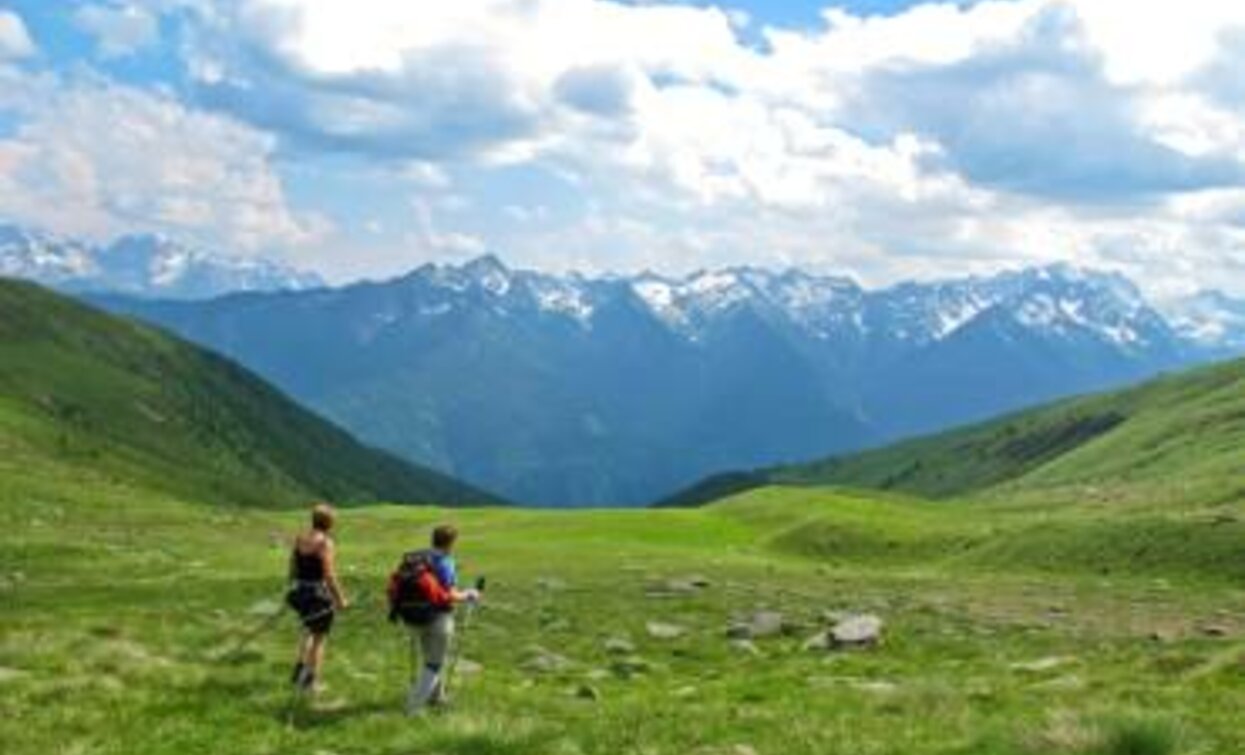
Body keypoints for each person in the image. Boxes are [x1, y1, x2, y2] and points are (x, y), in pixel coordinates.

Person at [405, 524, 480, 714]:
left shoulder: (418, 558)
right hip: (439, 617)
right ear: (451, 542)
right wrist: (469, 594)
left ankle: (437, 697)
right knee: (435, 663)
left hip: (414, 615)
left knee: (430, 657)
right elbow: (450, 594)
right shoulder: (445, 561)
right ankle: (413, 707)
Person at [287, 502, 349, 694]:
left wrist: (293, 584)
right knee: (319, 638)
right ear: (329, 523)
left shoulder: (300, 539)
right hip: (318, 594)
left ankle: (299, 673)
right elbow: (329, 575)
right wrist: (340, 599)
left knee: (306, 630)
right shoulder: (325, 543)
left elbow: (292, 565)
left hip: (300, 591)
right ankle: (311, 684)